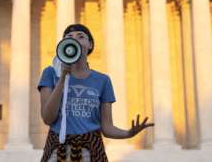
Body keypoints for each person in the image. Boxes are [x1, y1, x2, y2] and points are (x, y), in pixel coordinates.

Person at [37, 23, 153, 162]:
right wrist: (62, 78)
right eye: (69, 37)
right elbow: (47, 118)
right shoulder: (50, 73)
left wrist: (129, 133)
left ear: (90, 44)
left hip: (91, 151)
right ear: (64, 45)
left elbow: (107, 127)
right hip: (58, 151)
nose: (75, 39)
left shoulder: (103, 80)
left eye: (81, 36)